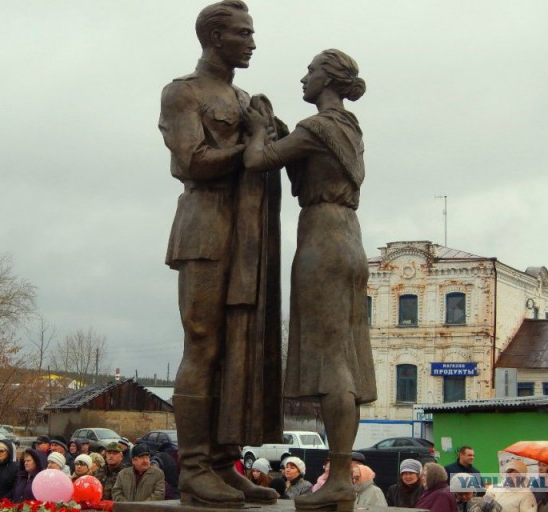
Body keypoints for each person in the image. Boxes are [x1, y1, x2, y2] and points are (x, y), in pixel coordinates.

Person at [158, 0, 284, 507]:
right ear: (215, 36)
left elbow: (267, 155)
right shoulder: (182, 92)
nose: (252, 43)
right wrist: (254, 145)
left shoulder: (245, 96)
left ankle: (221, 463)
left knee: (239, 348)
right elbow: (192, 160)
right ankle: (192, 470)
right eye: (244, 33)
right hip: (205, 227)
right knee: (204, 343)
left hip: (248, 233)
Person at [243, 47, 376, 512]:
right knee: (346, 361)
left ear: (328, 79)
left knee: (333, 364)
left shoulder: (317, 127)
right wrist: (282, 132)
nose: (303, 77)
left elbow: (258, 160)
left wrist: (261, 130)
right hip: (350, 240)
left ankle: (339, 478)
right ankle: (340, 474)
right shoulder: (348, 129)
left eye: (311, 71)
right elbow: (300, 163)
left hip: (322, 241)